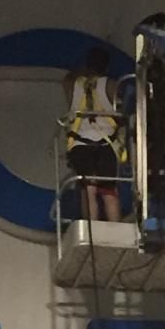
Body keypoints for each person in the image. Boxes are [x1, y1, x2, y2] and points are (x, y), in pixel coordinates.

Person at [62, 47, 123, 221]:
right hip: (106, 142)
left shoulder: (72, 84)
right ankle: (115, 229)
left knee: (88, 190)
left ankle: (92, 228)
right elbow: (120, 113)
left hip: (80, 143)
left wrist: (84, 71)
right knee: (109, 191)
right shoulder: (111, 85)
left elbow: (68, 78)